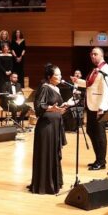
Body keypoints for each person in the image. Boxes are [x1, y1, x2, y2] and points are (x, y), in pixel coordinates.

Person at [30, 65, 68, 195]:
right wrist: (51, 108)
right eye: (57, 75)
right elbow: (38, 106)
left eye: (60, 74)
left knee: (53, 154)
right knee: (47, 154)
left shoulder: (56, 88)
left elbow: (55, 106)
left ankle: (54, 181)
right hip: (46, 127)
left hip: (55, 125)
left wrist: (62, 108)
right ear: (49, 77)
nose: (60, 77)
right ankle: (45, 185)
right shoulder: (44, 87)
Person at [85, 47, 108, 170]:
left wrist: (101, 107)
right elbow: (90, 85)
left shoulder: (106, 70)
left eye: (95, 54)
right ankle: (98, 159)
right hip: (91, 105)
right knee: (90, 131)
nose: (93, 56)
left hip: (99, 107)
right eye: (91, 54)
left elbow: (106, 90)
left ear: (102, 55)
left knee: (99, 134)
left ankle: (101, 162)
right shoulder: (95, 69)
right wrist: (78, 81)